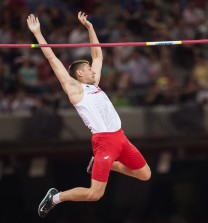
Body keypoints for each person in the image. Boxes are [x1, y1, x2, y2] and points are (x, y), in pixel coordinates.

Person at [27, 12, 151, 218]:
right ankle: (55, 198)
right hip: (104, 142)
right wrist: (38, 33)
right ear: (79, 74)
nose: (93, 71)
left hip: (121, 137)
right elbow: (52, 58)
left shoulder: (94, 85)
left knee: (145, 175)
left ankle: (103, 165)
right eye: (87, 69)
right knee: (95, 194)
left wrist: (90, 28)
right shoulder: (75, 90)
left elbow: (97, 56)